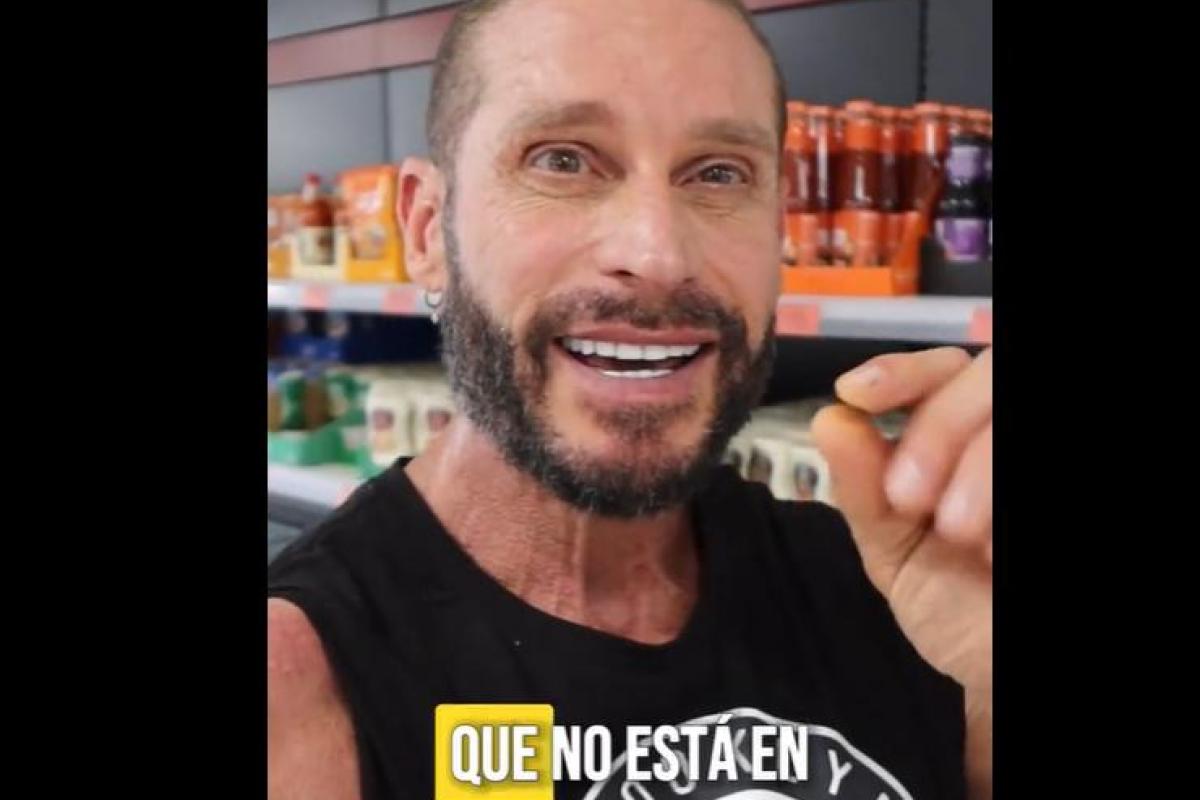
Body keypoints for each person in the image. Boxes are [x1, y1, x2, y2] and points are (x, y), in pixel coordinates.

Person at [267, 0, 992, 798]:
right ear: (426, 228)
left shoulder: (898, 592)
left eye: (719, 173)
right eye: (562, 160)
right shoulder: (300, 683)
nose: (659, 253)